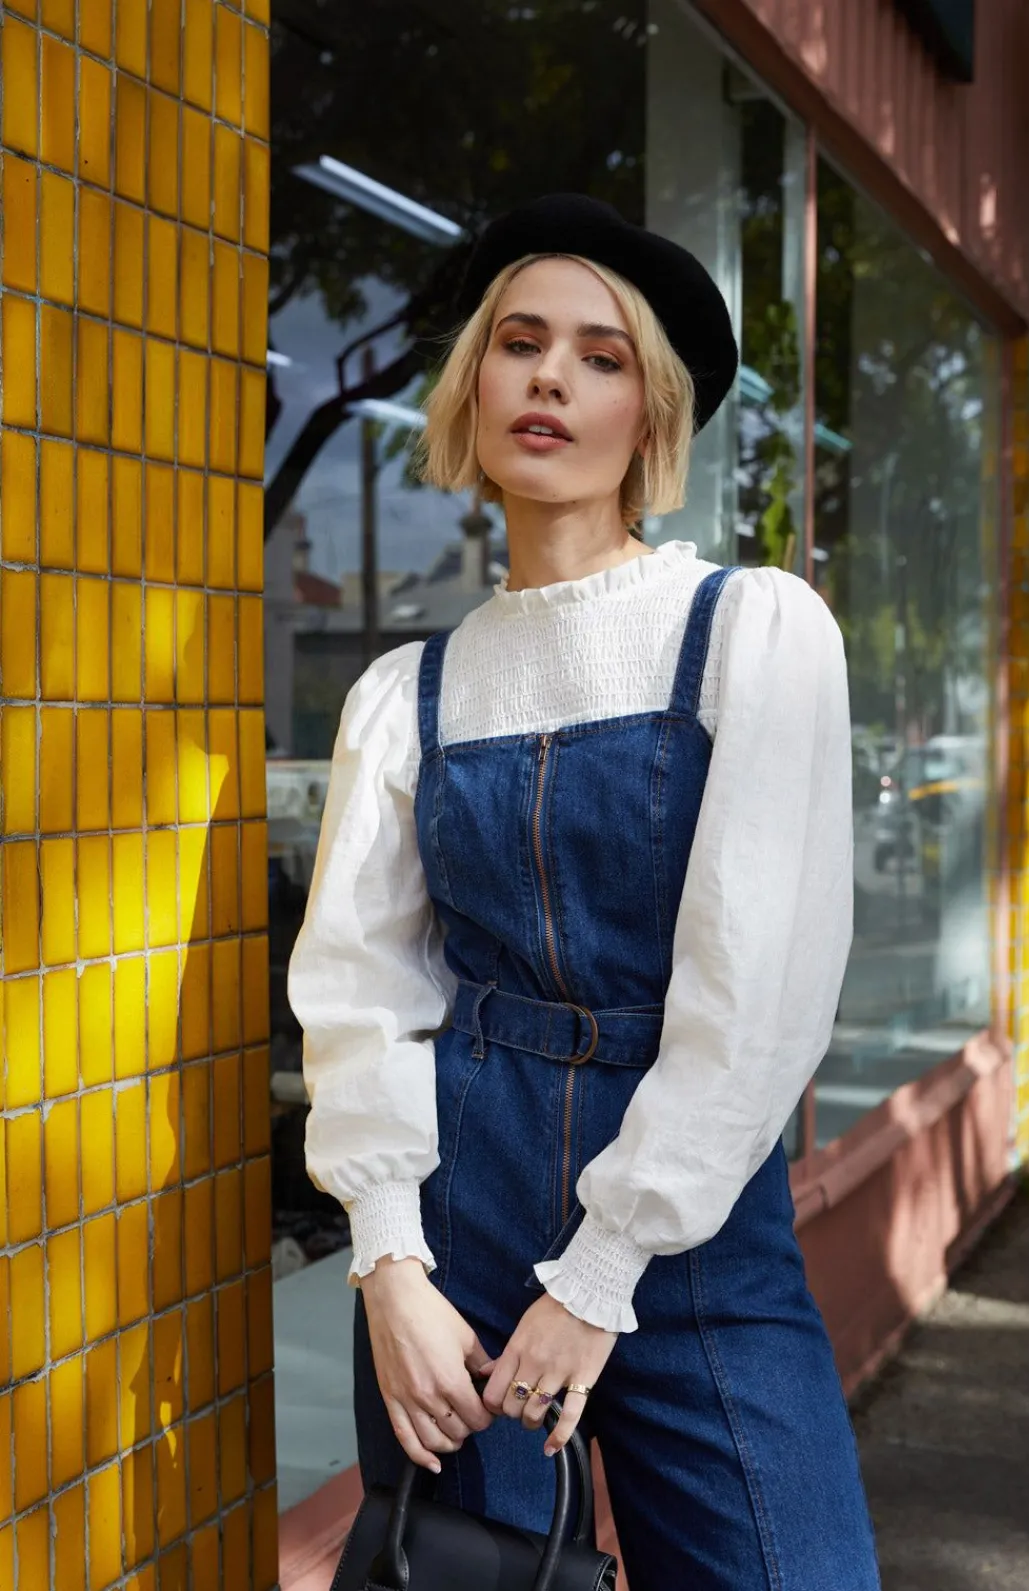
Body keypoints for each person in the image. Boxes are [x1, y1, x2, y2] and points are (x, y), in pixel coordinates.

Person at [288, 193, 881, 1590]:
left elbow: (762, 987)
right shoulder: (404, 693)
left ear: (651, 414)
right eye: (520, 343)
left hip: (691, 1236)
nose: (549, 376)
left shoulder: (754, 632)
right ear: (472, 384)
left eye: (600, 356)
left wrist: (605, 1269)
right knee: (474, 1573)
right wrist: (387, 1264)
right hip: (455, 1228)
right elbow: (363, 994)